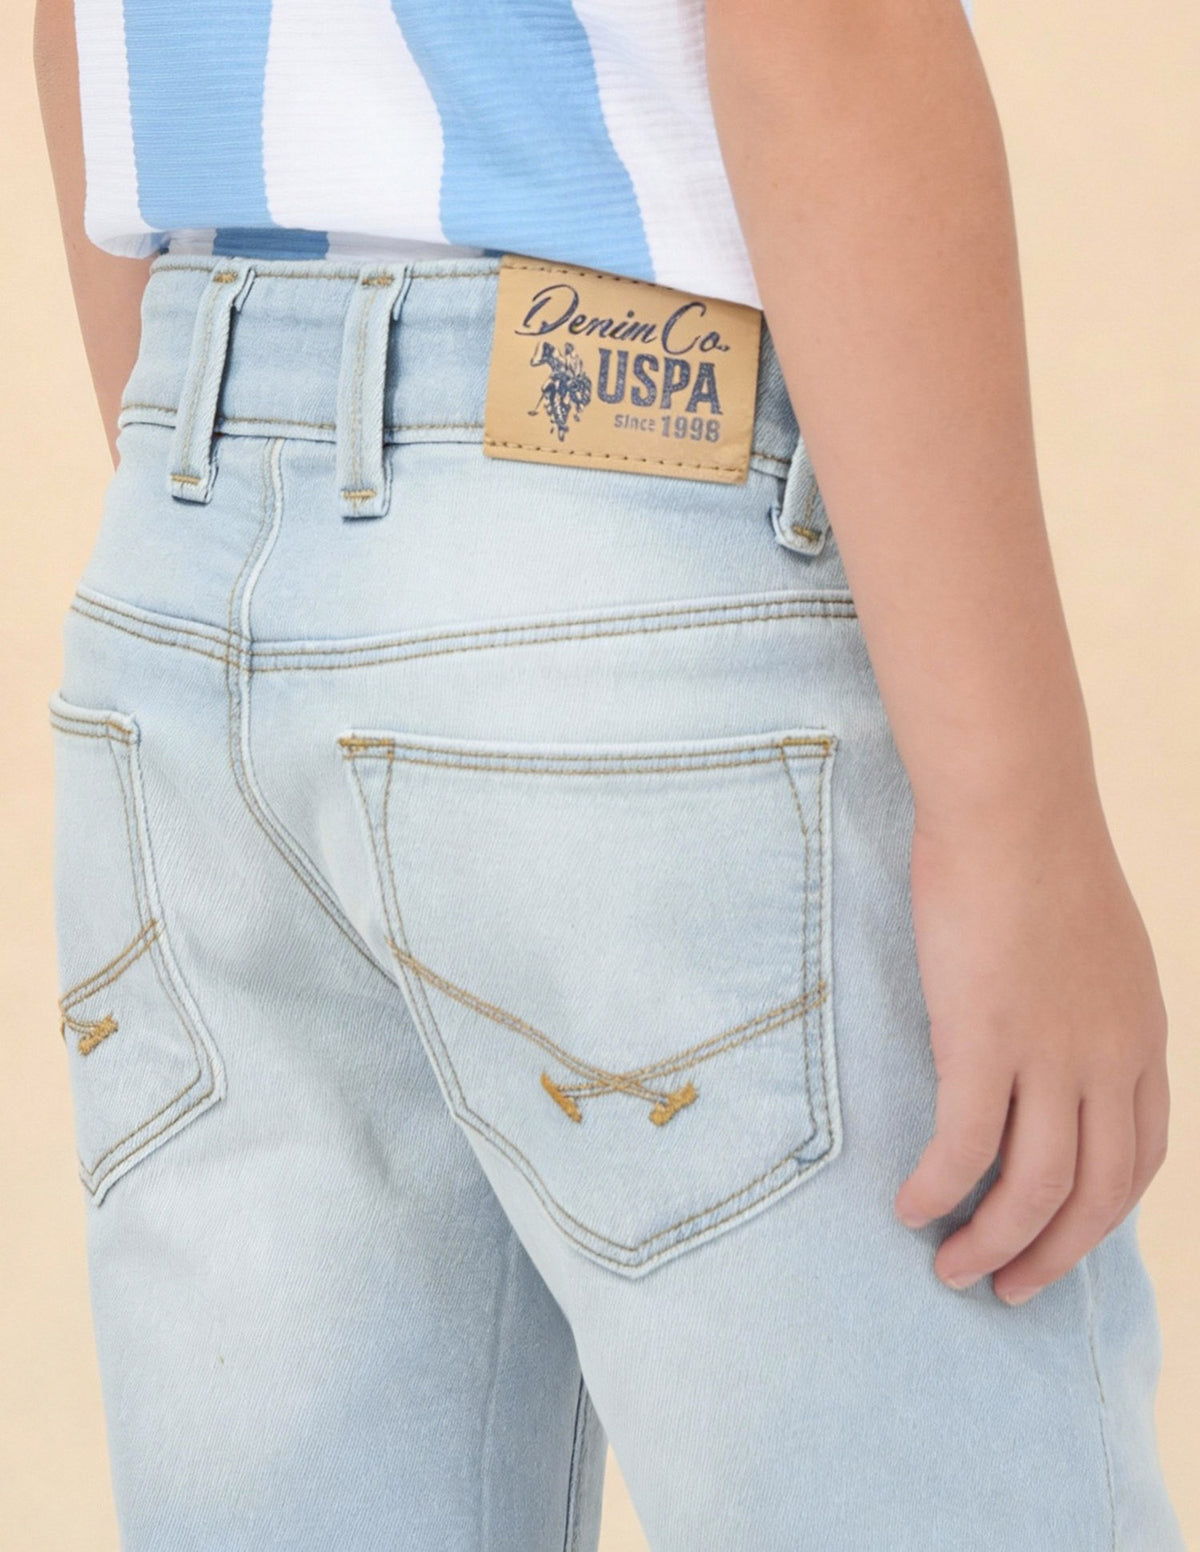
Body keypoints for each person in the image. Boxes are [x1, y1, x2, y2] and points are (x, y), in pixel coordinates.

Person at [32, 1, 1185, 1548]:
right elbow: (823, 28)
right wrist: (1013, 814)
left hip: (184, 555)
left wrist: (247, 479)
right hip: (627, 542)